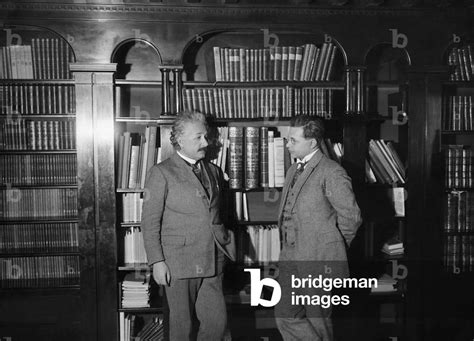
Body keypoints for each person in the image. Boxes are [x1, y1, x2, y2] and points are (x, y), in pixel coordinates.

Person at [141, 110, 235, 341]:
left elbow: (218, 214)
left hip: (213, 259)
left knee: (217, 325)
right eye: (198, 137)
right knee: (181, 327)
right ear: (179, 140)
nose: (206, 142)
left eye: (206, 136)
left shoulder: (213, 171)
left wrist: (226, 244)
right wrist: (157, 261)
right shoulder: (160, 173)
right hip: (178, 263)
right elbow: (150, 222)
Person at [275, 115, 362, 341]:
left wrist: (332, 248)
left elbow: (351, 217)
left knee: (318, 321)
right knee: (285, 315)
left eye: (293, 141)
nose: (287, 145)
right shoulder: (293, 170)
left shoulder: (332, 172)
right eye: (287, 139)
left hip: (319, 259)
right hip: (289, 257)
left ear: (312, 142)